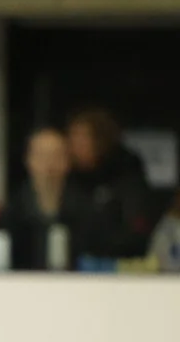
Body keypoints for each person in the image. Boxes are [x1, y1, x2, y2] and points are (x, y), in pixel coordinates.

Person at [61, 108, 160, 266]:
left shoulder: (127, 177)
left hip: (119, 268)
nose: (73, 145)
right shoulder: (67, 179)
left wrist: (96, 249)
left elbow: (136, 233)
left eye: (81, 138)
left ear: (101, 142)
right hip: (69, 268)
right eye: (71, 138)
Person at [0, 127, 70, 271]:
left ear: (67, 162)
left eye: (55, 156)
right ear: (28, 161)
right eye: (42, 156)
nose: (49, 165)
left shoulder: (87, 213)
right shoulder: (11, 215)